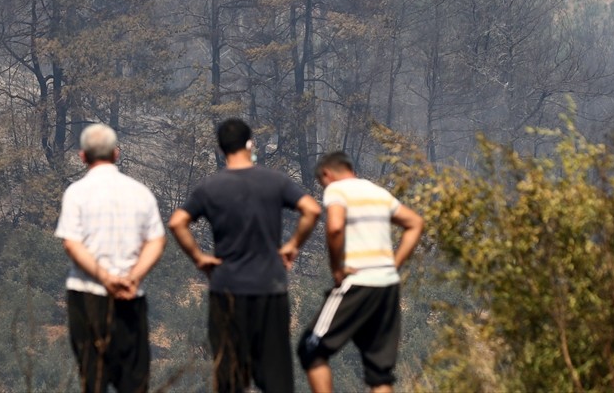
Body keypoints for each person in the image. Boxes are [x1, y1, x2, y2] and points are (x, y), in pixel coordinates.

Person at [168, 118, 322, 393]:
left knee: (229, 375)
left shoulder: (210, 187)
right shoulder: (275, 181)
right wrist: (292, 245)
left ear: (220, 148)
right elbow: (312, 209)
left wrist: (199, 258)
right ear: (250, 144)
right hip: (269, 288)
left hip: (227, 288)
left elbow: (177, 222)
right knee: (276, 377)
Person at [297, 151, 425, 393]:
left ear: (327, 174)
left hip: (358, 282)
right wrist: (395, 263)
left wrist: (337, 268)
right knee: (379, 374)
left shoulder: (337, 189)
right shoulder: (378, 193)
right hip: (387, 285)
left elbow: (334, 228)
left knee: (310, 349)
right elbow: (415, 223)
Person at [55, 123, 167, 393]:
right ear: (116, 154)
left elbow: (72, 244)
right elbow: (156, 240)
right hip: (130, 296)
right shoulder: (141, 192)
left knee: (93, 380)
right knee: (134, 382)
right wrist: (132, 277)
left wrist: (105, 278)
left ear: (83, 156)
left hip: (87, 294)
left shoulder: (76, 194)